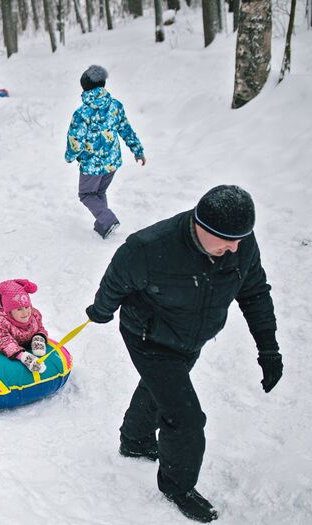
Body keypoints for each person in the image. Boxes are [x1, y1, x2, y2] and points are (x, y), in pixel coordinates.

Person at [85, 185, 282, 523]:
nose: (235, 247)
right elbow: (115, 282)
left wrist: (268, 347)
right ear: (200, 226)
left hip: (191, 338)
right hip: (148, 337)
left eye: (240, 239)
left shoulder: (241, 245)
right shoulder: (149, 248)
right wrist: (102, 310)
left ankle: (134, 440)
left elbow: (255, 293)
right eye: (227, 240)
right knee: (186, 418)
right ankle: (177, 487)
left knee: (158, 387)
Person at [65, 65, 146, 240]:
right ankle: (103, 226)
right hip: (112, 162)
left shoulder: (82, 113)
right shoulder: (115, 106)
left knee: (86, 194)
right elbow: (126, 130)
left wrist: (70, 156)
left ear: (84, 88)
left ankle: (108, 220)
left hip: (92, 166)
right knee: (99, 193)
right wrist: (137, 150)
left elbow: (75, 140)